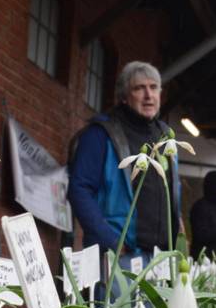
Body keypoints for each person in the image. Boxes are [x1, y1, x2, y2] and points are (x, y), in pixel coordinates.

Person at [67, 60, 181, 261]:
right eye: (139, 88)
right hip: (120, 255)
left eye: (154, 87)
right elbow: (79, 189)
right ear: (124, 97)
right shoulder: (101, 133)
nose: (148, 95)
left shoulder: (164, 134)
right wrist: (110, 241)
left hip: (160, 256)